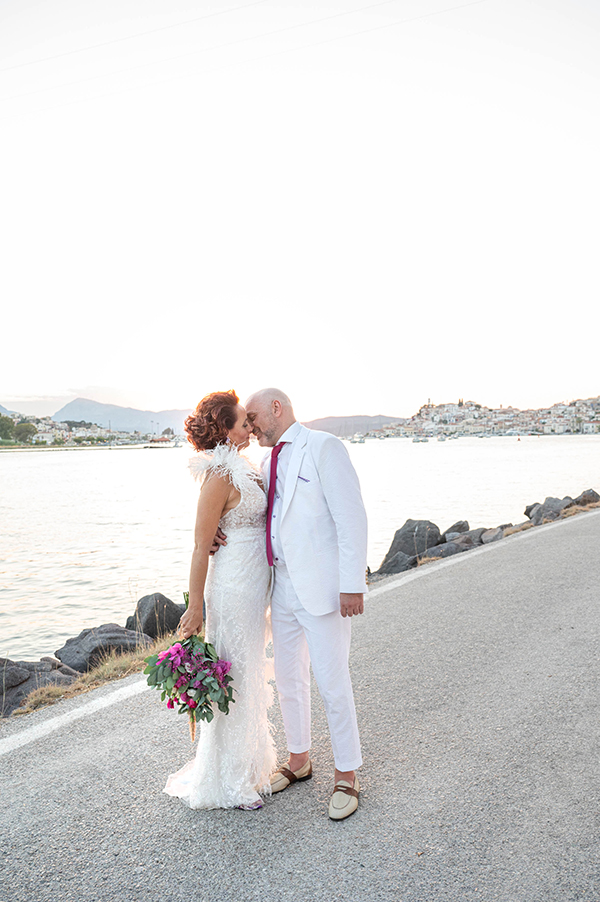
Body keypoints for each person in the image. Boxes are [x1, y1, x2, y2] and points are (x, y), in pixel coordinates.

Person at [245, 387, 368, 820]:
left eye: (254, 415)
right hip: (280, 587)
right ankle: (299, 759)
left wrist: (352, 585)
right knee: (288, 677)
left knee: (333, 682)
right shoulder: (264, 460)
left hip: (323, 589)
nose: (250, 423)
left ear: (277, 408)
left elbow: (351, 517)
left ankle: (347, 774)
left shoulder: (324, 447)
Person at [164, 390, 276, 810]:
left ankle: (247, 765)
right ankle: (228, 780)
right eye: (243, 422)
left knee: (249, 673)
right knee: (236, 676)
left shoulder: (245, 468)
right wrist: (195, 606)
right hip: (230, 588)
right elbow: (199, 546)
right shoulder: (217, 477)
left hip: (254, 584)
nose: (250, 426)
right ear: (226, 429)